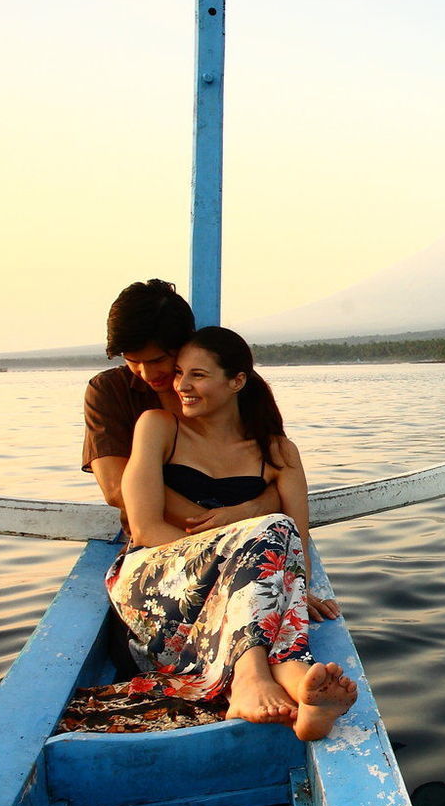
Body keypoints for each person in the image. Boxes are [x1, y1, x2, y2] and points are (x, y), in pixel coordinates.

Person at [69, 326, 354, 741]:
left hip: (234, 588)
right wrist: (242, 556)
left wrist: (293, 584)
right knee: (272, 531)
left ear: (237, 381)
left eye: (197, 375)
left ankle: (301, 690)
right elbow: (146, 528)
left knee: (279, 546)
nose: (181, 385)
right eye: (181, 373)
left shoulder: (277, 451)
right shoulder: (158, 427)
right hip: (155, 580)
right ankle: (251, 679)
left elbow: (300, 540)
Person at [82, 279, 281, 532]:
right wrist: (219, 529)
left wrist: (248, 513)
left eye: (158, 360)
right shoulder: (110, 391)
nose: (147, 373)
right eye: (133, 361)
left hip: (246, 536)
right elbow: (116, 487)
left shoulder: (235, 385)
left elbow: (280, 471)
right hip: (165, 543)